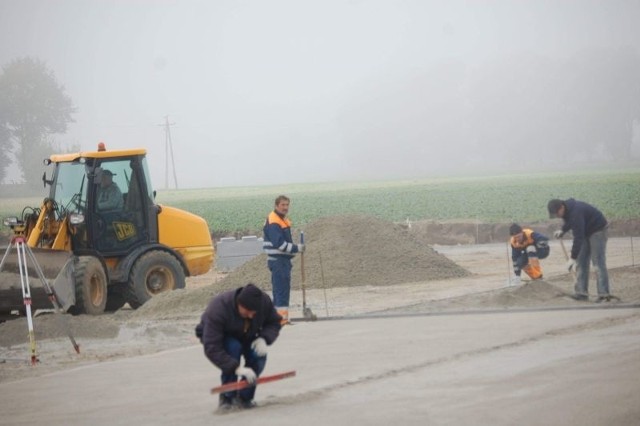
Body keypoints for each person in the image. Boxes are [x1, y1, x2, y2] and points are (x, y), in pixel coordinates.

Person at [196, 283, 282, 411]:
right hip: (220, 336)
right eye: (248, 311)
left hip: (247, 334)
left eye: (255, 313)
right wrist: (235, 368)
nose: (252, 315)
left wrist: (264, 338)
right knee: (233, 348)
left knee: (258, 355)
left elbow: (274, 322)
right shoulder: (219, 308)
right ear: (239, 304)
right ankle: (227, 398)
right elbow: (212, 347)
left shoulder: (263, 302)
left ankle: (244, 398)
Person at [547, 198, 611, 302]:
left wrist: (572, 258)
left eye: (557, 213)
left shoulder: (576, 211)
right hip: (586, 230)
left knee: (598, 262)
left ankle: (604, 295)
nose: (557, 216)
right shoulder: (567, 211)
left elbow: (578, 237)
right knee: (581, 262)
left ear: (561, 207)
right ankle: (582, 293)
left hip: (598, 230)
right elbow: (570, 222)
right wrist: (562, 230)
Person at [262, 195, 304, 324]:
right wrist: (297, 248)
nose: (285, 207)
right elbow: (280, 244)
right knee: (281, 290)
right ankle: (280, 320)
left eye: (287, 205)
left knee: (281, 290)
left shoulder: (281, 219)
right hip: (278, 260)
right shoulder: (274, 221)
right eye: (283, 205)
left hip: (282, 261)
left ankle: (280, 318)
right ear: (276, 205)